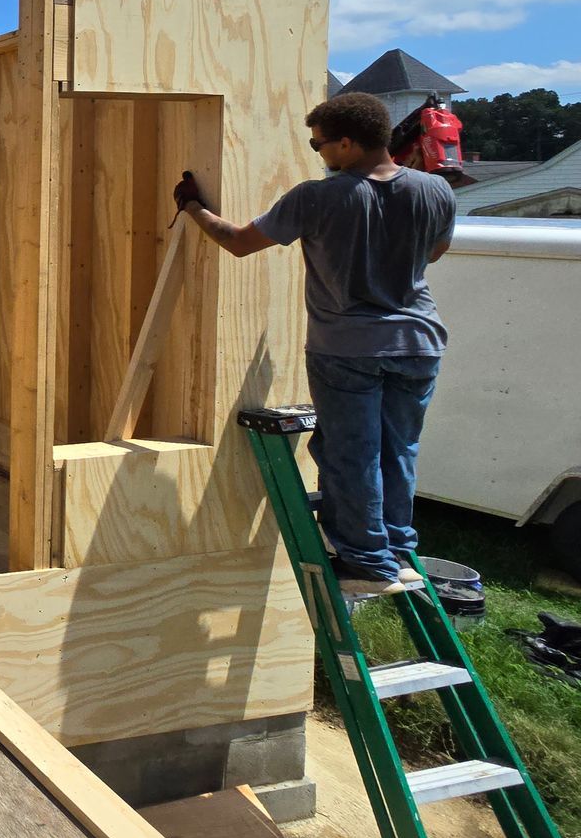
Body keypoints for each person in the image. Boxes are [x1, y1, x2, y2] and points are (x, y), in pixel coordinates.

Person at [172, 91, 456, 596]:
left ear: (346, 143)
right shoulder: (436, 191)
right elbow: (434, 252)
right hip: (419, 342)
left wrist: (193, 207)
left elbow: (238, 241)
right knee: (399, 450)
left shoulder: (319, 197)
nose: (318, 153)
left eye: (318, 144)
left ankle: (367, 563)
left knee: (352, 451)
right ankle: (397, 552)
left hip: (347, 347)